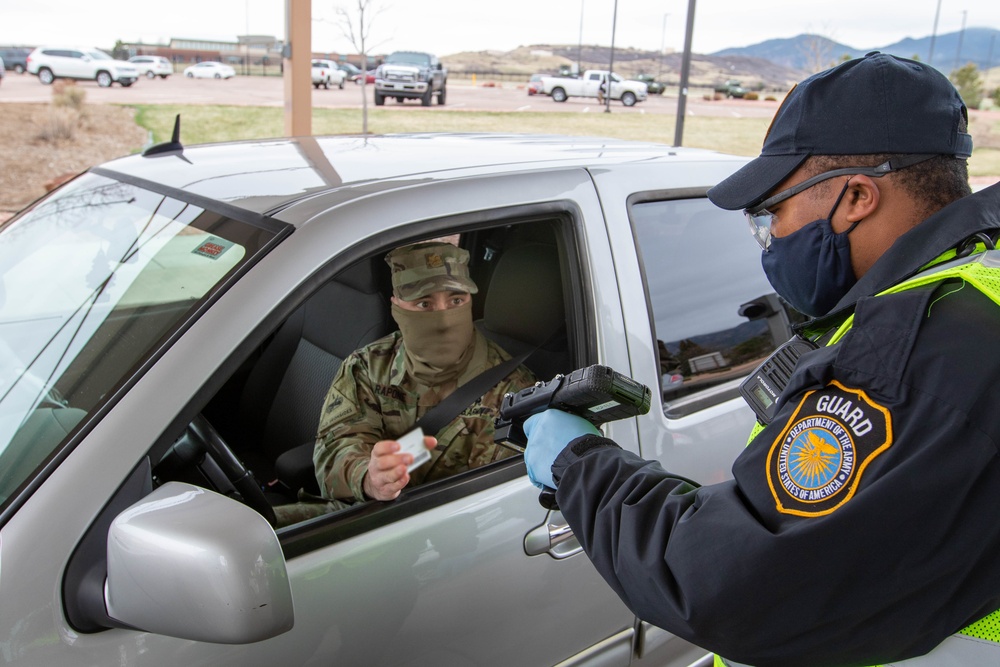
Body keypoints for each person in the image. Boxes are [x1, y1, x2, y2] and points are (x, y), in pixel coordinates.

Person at [523, 52, 1000, 667]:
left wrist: (581, 464)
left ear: (856, 196)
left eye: (772, 213)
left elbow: (731, 583)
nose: (770, 237)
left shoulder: (908, 351)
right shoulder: (977, 282)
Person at [312, 240, 537, 505]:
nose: (443, 318)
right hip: (364, 515)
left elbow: (498, 502)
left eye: (455, 299)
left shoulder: (515, 393)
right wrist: (368, 477)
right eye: (423, 304)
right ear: (396, 307)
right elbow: (334, 449)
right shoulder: (367, 366)